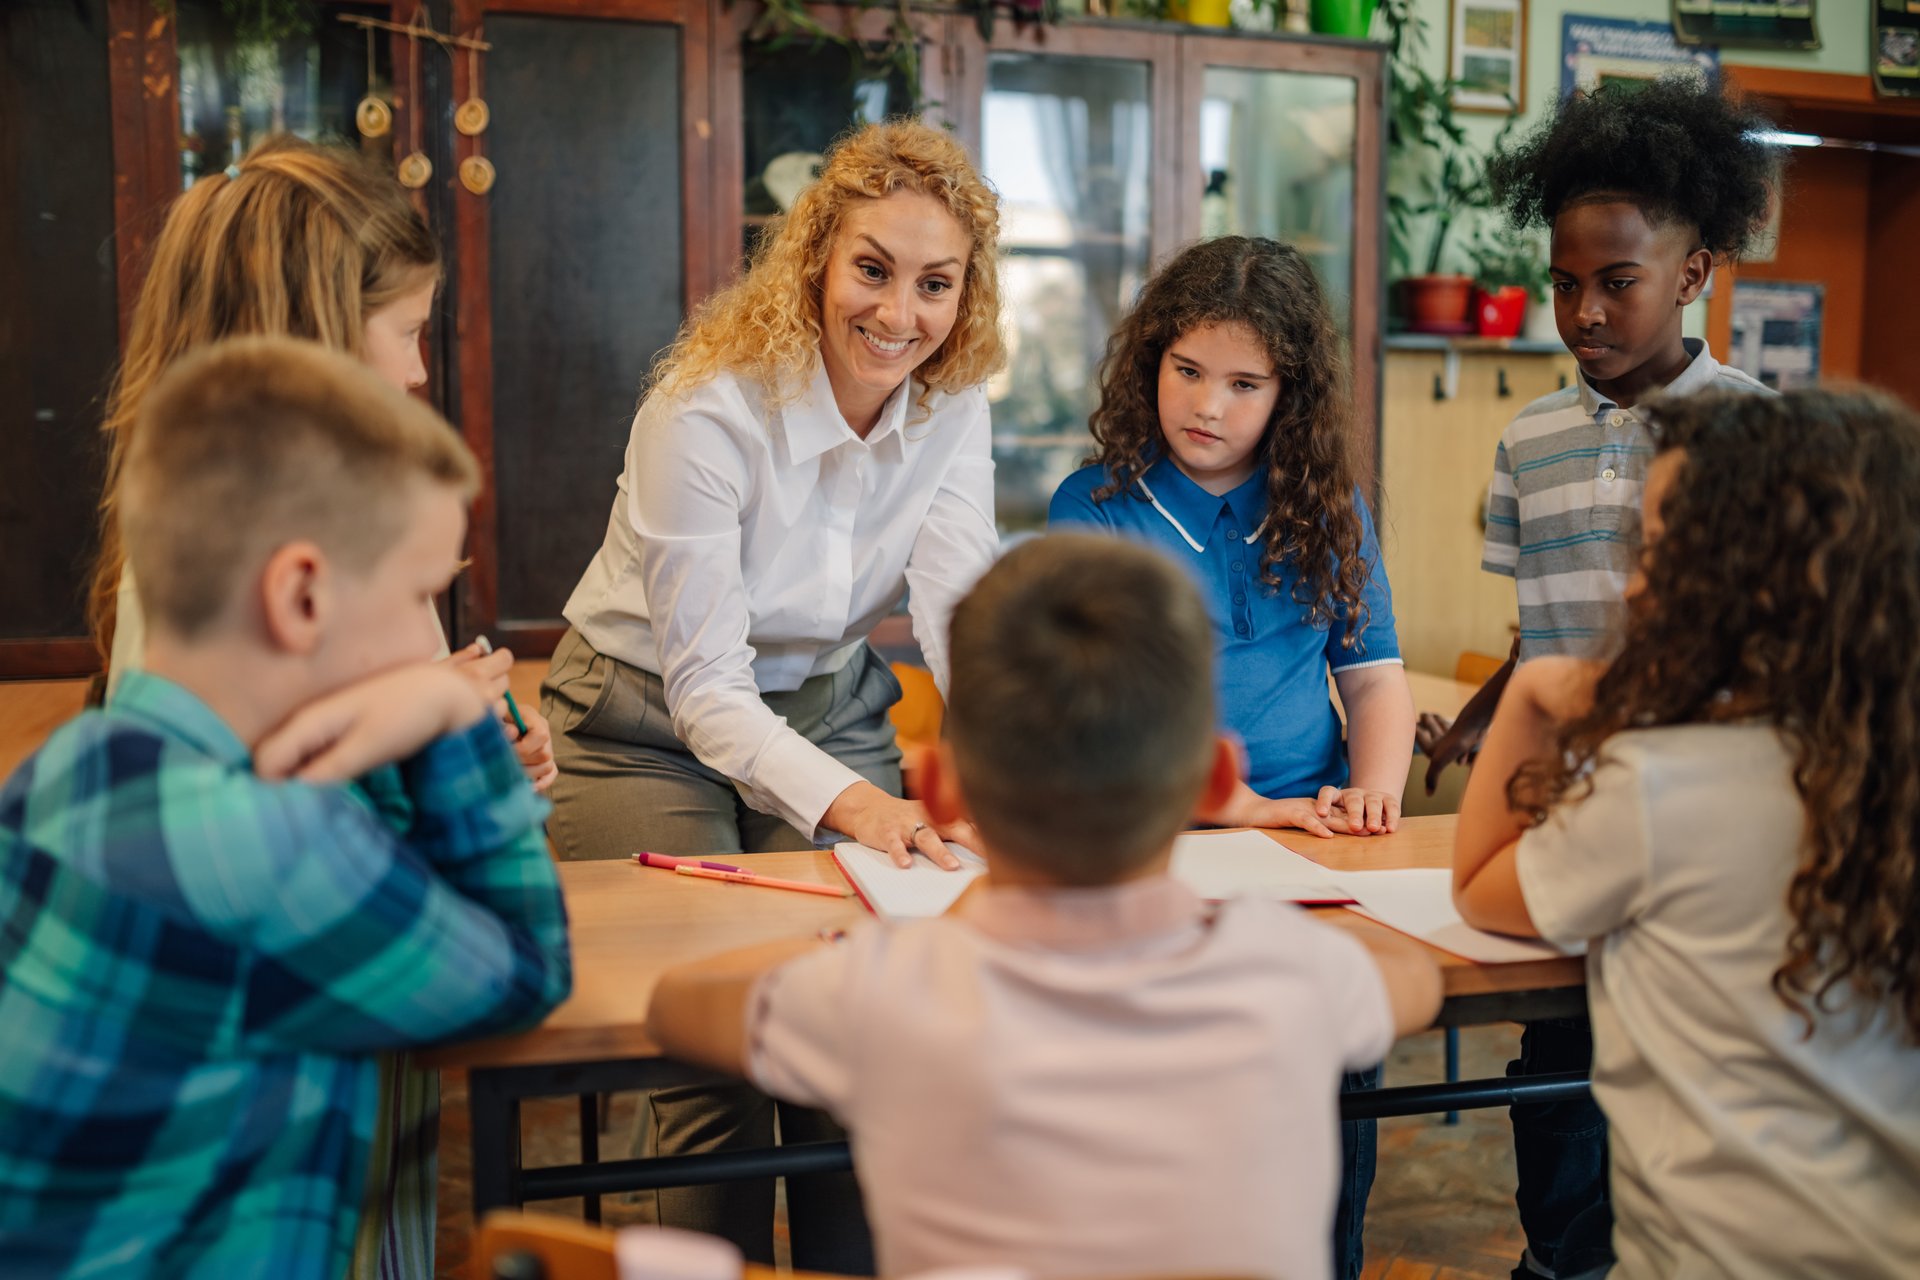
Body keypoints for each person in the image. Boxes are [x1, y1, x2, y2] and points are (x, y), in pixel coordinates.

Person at [649, 533, 1443, 1280]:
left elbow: (676, 1004)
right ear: (1214, 780)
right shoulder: (1291, 974)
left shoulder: (883, 989)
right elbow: (1413, 977)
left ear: (939, 789)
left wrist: (861, 939)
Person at [79, 134, 557, 1278]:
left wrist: (487, 761)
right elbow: (251, 828)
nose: (417, 375)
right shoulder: (239, 579)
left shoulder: (312, 541)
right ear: (318, 330)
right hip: (278, 1116)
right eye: (404, 334)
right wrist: (440, 727)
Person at [541, 119, 1006, 1268]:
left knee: (864, 1046)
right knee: (722, 1051)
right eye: (873, 269)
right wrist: (863, 807)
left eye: (935, 283)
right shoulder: (703, 410)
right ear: (814, 260)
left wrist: (1010, 775)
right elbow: (708, 689)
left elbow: (962, 619)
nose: (900, 314)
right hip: (642, 723)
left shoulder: (955, 407)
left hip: (829, 703)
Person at [1434, 78, 1786, 1280]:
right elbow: (1537, 625)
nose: (1584, 309)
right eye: (1565, 282)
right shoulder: (1527, 439)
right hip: (1565, 801)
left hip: (1699, 813)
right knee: (1556, 1063)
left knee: (1675, 1060)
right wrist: (1479, 719)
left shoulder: (1752, 431)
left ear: (1694, 273)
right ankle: (1564, 1252)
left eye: (1617, 282)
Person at [1453, 387, 1920, 1279]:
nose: (1631, 582)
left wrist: (1538, 689)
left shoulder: (1665, 786)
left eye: (1660, 554)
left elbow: (1478, 882)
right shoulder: (1886, 768)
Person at [1047, 235, 1413, 1278]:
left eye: (1244, 383)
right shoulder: (1096, 506)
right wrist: (1239, 808)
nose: (1208, 404)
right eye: (1187, 371)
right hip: (1156, 845)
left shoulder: (1330, 508)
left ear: (1288, 395)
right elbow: (1102, 716)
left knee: (1330, 1093)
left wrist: (1375, 791)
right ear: (1151, 363)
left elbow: (1376, 674)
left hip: (1312, 845)